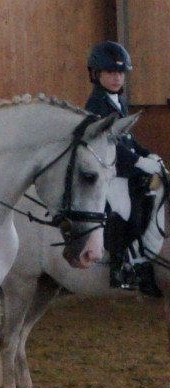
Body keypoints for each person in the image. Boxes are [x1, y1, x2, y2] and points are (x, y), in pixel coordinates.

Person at [86, 40, 163, 297]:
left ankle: (142, 259)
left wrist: (148, 154)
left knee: (152, 197)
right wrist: (139, 162)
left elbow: (128, 139)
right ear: (97, 75)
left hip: (125, 166)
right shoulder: (96, 105)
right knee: (123, 207)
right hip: (109, 169)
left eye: (120, 73)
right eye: (110, 72)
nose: (117, 77)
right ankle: (119, 267)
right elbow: (108, 144)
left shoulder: (119, 100)